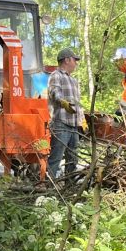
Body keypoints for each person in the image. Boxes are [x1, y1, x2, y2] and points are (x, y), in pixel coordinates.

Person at [46, 47, 86, 182]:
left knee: (73, 158)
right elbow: (54, 92)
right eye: (75, 60)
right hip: (61, 123)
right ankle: (48, 185)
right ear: (67, 60)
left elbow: (78, 103)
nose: (76, 63)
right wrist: (62, 102)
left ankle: (69, 185)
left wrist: (83, 120)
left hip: (74, 125)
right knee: (56, 157)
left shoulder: (74, 81)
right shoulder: (56, 75)